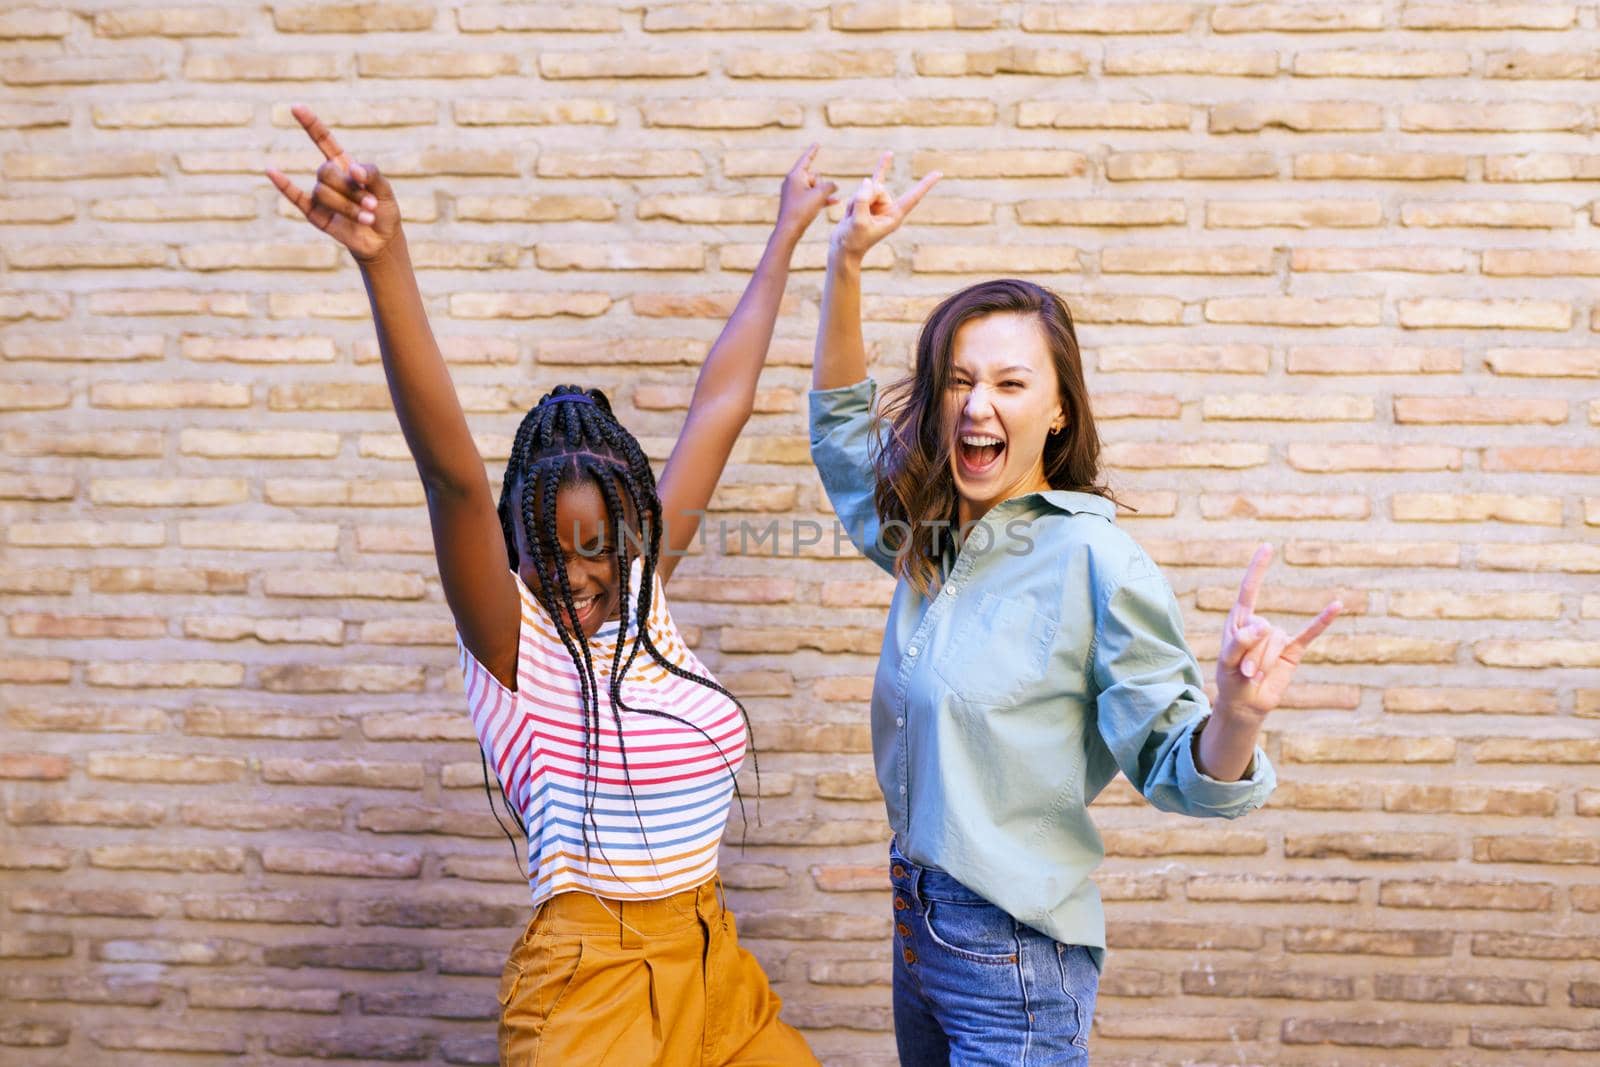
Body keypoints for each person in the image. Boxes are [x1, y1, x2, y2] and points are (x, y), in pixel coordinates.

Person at [269, 106, 829, 1067]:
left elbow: (721, 406)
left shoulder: (642, 592)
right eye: (547, 548)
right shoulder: (513, 643)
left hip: (714, 965)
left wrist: (786, 235)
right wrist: (384, 260)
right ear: (512, 544)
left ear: (630, 538)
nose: (575, 574)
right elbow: (449, 471)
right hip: (590, 991)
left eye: (597, 548)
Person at [807, 153, 1342, 1065]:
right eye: (959, 380)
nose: (979, 404)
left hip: (1013, 954)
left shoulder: (1096, 558)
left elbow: (1177, 764)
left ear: (1058, 411)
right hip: (918, 928)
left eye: (1012, 384)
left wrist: (1239, 715)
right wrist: (845, 263)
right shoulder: (934, 538)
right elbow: (843, 431)